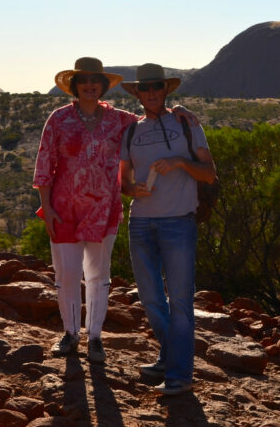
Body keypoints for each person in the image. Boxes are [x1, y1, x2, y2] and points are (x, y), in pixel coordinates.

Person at [33, 57, 195, 365]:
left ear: (103, 86)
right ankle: (70, 333)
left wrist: (178, 111)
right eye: (84, 81)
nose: (90, 85)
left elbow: (153, 118)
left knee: (98, 275)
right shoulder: (58, 118)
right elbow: (44, 162)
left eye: (96, 80)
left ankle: (94, 337)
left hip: (103, 209)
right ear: (75, 86)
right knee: (66, 275)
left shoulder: (121, 120)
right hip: (64, 208)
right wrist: (47, 207)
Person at [119, 64, 216, 396]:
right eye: (145, 88)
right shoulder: (132, 131)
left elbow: (209, 174)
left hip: (179, 222)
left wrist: (180, 163)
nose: (151, 93)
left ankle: (179, 375)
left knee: (180, 302)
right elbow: (123, 179)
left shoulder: (186, 124)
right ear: (138, 93)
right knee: (150, 299)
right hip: (140, 223)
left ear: (165, 90)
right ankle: (169, 357)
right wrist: (132, 190)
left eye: (156, 87)